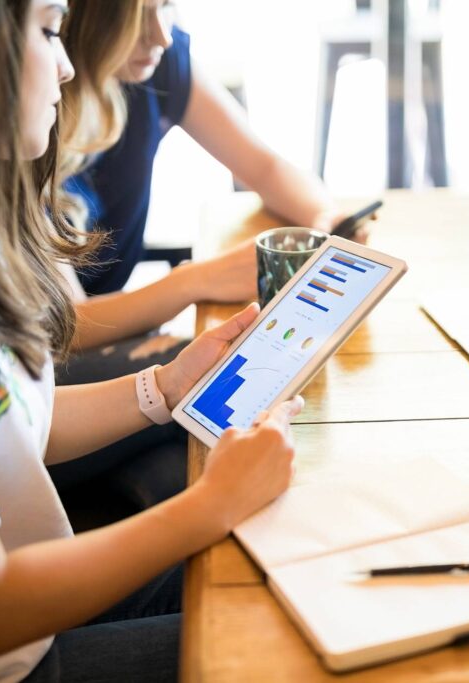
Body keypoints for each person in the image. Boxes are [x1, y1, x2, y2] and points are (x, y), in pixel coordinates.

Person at [0, 1, 300, 680]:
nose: (70, 65)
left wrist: (161, 388)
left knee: (290, 585)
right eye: (49, 31)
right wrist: (211, 504)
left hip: (26, 623)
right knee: (279, 642)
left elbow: (2, 425)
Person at [48, 0, 354, 504]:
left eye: (167, 7)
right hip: (59, 356)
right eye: (140, 14)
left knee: (194, 451)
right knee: (219, 408)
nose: (163, 36)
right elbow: (67, 325)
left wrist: (325, 225)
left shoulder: (157, 61)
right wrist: (194, 281)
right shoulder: (27, 110)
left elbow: (267, 166)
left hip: (107, 333)